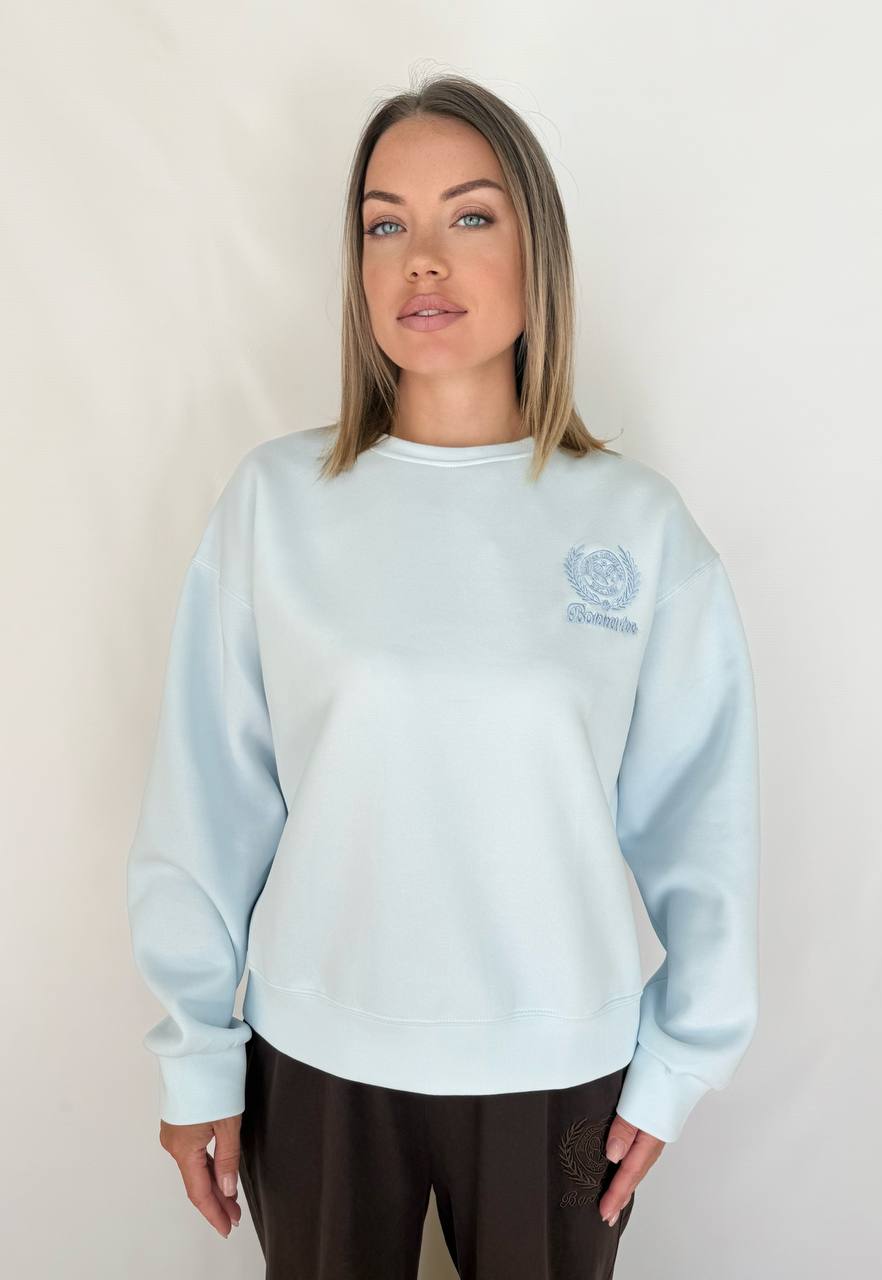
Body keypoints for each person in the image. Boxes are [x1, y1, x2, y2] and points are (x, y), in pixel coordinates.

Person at [126, 72, 760, 1279]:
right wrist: (194, 1050)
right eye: (385, 224)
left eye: (468, 216)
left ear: (536, 252)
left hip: (561, 1069)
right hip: (314, 1060)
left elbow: (701, 822)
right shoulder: (274, 505)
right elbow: (206, 799)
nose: (421, 258)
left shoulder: (635, 528)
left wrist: (680, 1057)